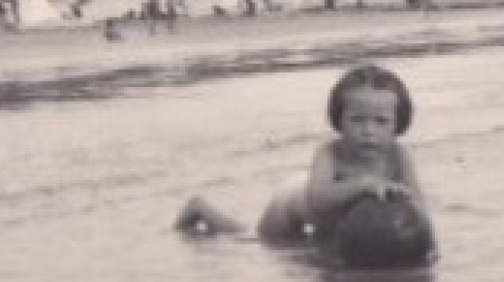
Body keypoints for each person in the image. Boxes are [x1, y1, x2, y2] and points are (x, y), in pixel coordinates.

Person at [175, 64, 430, 245]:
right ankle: (200, 209)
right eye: (357, 120)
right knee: (254, 242)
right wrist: (364, 184)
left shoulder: (398, 155)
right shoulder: (331, 152)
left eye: (381, 121)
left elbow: (420, 208)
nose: (368, 131)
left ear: (399, 124)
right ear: (338, 121)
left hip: (330, 226)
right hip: (289, 206)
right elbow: (318, 198)